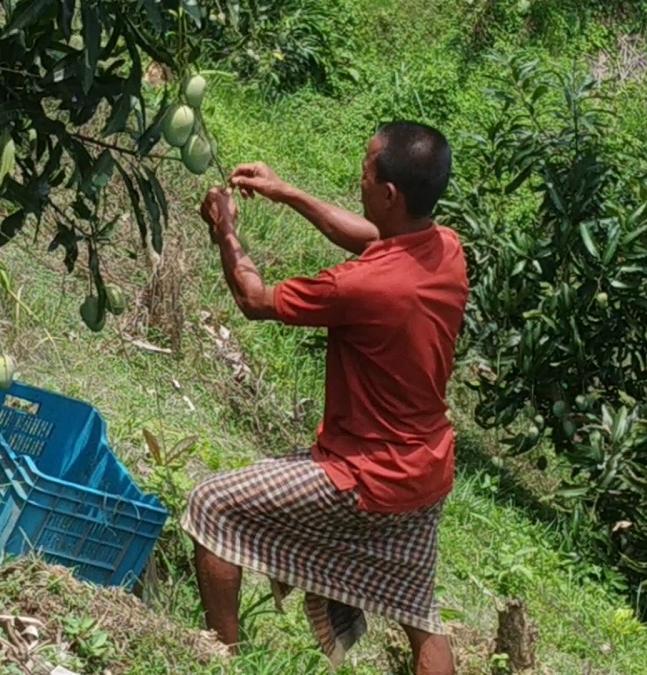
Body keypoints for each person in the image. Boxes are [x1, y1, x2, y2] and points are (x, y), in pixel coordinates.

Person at [181, 121, 469, 675]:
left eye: (365, 171)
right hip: (426, 470)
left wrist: (226, 230)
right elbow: (369, 235)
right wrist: (284, 191)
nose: (357, 178)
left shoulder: (361, 287)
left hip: (364, 475)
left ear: (389, 194)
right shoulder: (445, 249)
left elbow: (255, 298)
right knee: (419, 614)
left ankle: (223, 662)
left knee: (212, 507)